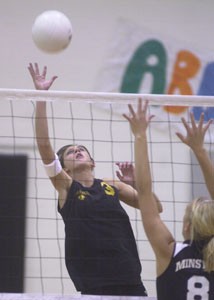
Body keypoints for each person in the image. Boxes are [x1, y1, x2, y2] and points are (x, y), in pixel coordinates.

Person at [28, 63, 162, 296]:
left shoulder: (112, 185)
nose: (77, 150)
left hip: (129, 276)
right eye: (70, 152)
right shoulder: (66, 187)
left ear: (92, 162)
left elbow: (155, 208)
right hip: (93, 283)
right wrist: (41, 96)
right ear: (65, 168)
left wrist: (135, 185)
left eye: (81, 149)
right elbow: (44, 145)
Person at [124, 98, 214, 300]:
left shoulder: (170, 251)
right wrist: (200, 150)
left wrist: (139, 134)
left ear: (187, 227)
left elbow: (144, 192)